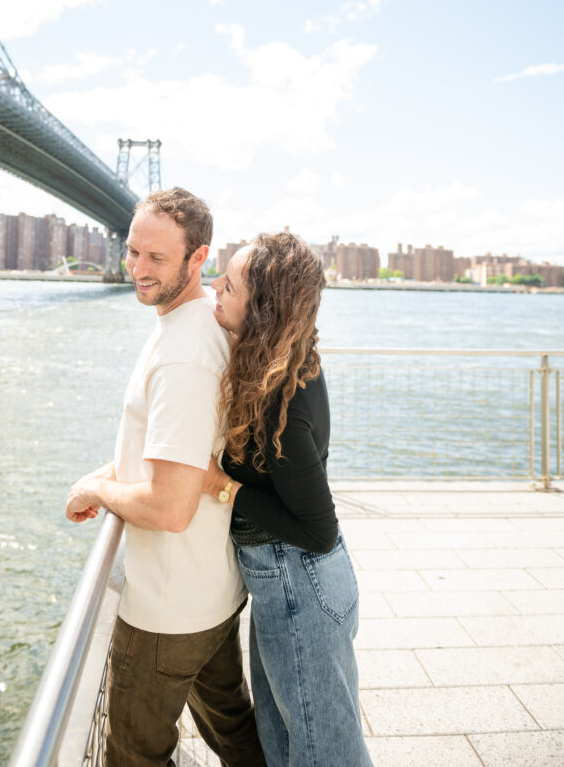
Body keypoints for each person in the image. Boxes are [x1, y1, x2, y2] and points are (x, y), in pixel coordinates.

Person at [65, 188, 265, 767]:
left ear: (198, 257)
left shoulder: (182, 354)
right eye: (132, 252)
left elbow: (171, 507)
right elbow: (170, 452)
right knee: (237, 736)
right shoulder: (203, 318)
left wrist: (97, 490)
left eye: (156, 258)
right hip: (211, 593)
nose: (137, 269)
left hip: (165, 614)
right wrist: (110, 470)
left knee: (133, 757)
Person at [203, 232, 374, 767]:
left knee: (325, 758)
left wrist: (221, 486)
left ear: (261, 308)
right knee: (283, 749)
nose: (215, 289)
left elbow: (318, 528)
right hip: (286, 586)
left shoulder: (284, 397)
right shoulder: (279, 363)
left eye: (228, 286)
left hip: (301, 584)